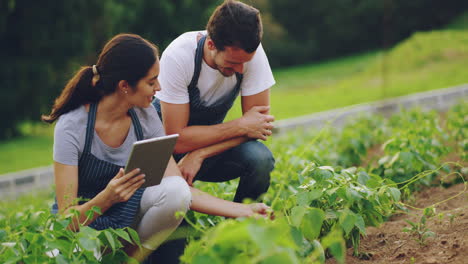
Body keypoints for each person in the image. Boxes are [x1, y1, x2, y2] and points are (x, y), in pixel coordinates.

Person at [42, 33, 271, 262]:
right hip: (83, 233)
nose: (159, 88)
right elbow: (65, 219)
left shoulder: (145, 116)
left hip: (125, 228)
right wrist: (106, 198)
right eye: (151, 82)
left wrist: (244, 210)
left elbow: (179, 188)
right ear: (124, 86)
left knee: (175, 191)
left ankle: (131, 260)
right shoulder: (72, 126)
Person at [153, 0, 275, 203]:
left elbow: (258, 127)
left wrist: (200, 154)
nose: (240, 70)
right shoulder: (179, 56)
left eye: (245, 62)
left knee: (260, 160)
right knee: (176, 223)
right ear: (211, 44)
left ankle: (239, 230)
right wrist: (240, 125)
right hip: (164, 153)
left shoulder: (250, 55)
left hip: (211, 148)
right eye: (233, 63)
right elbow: (177, 140)